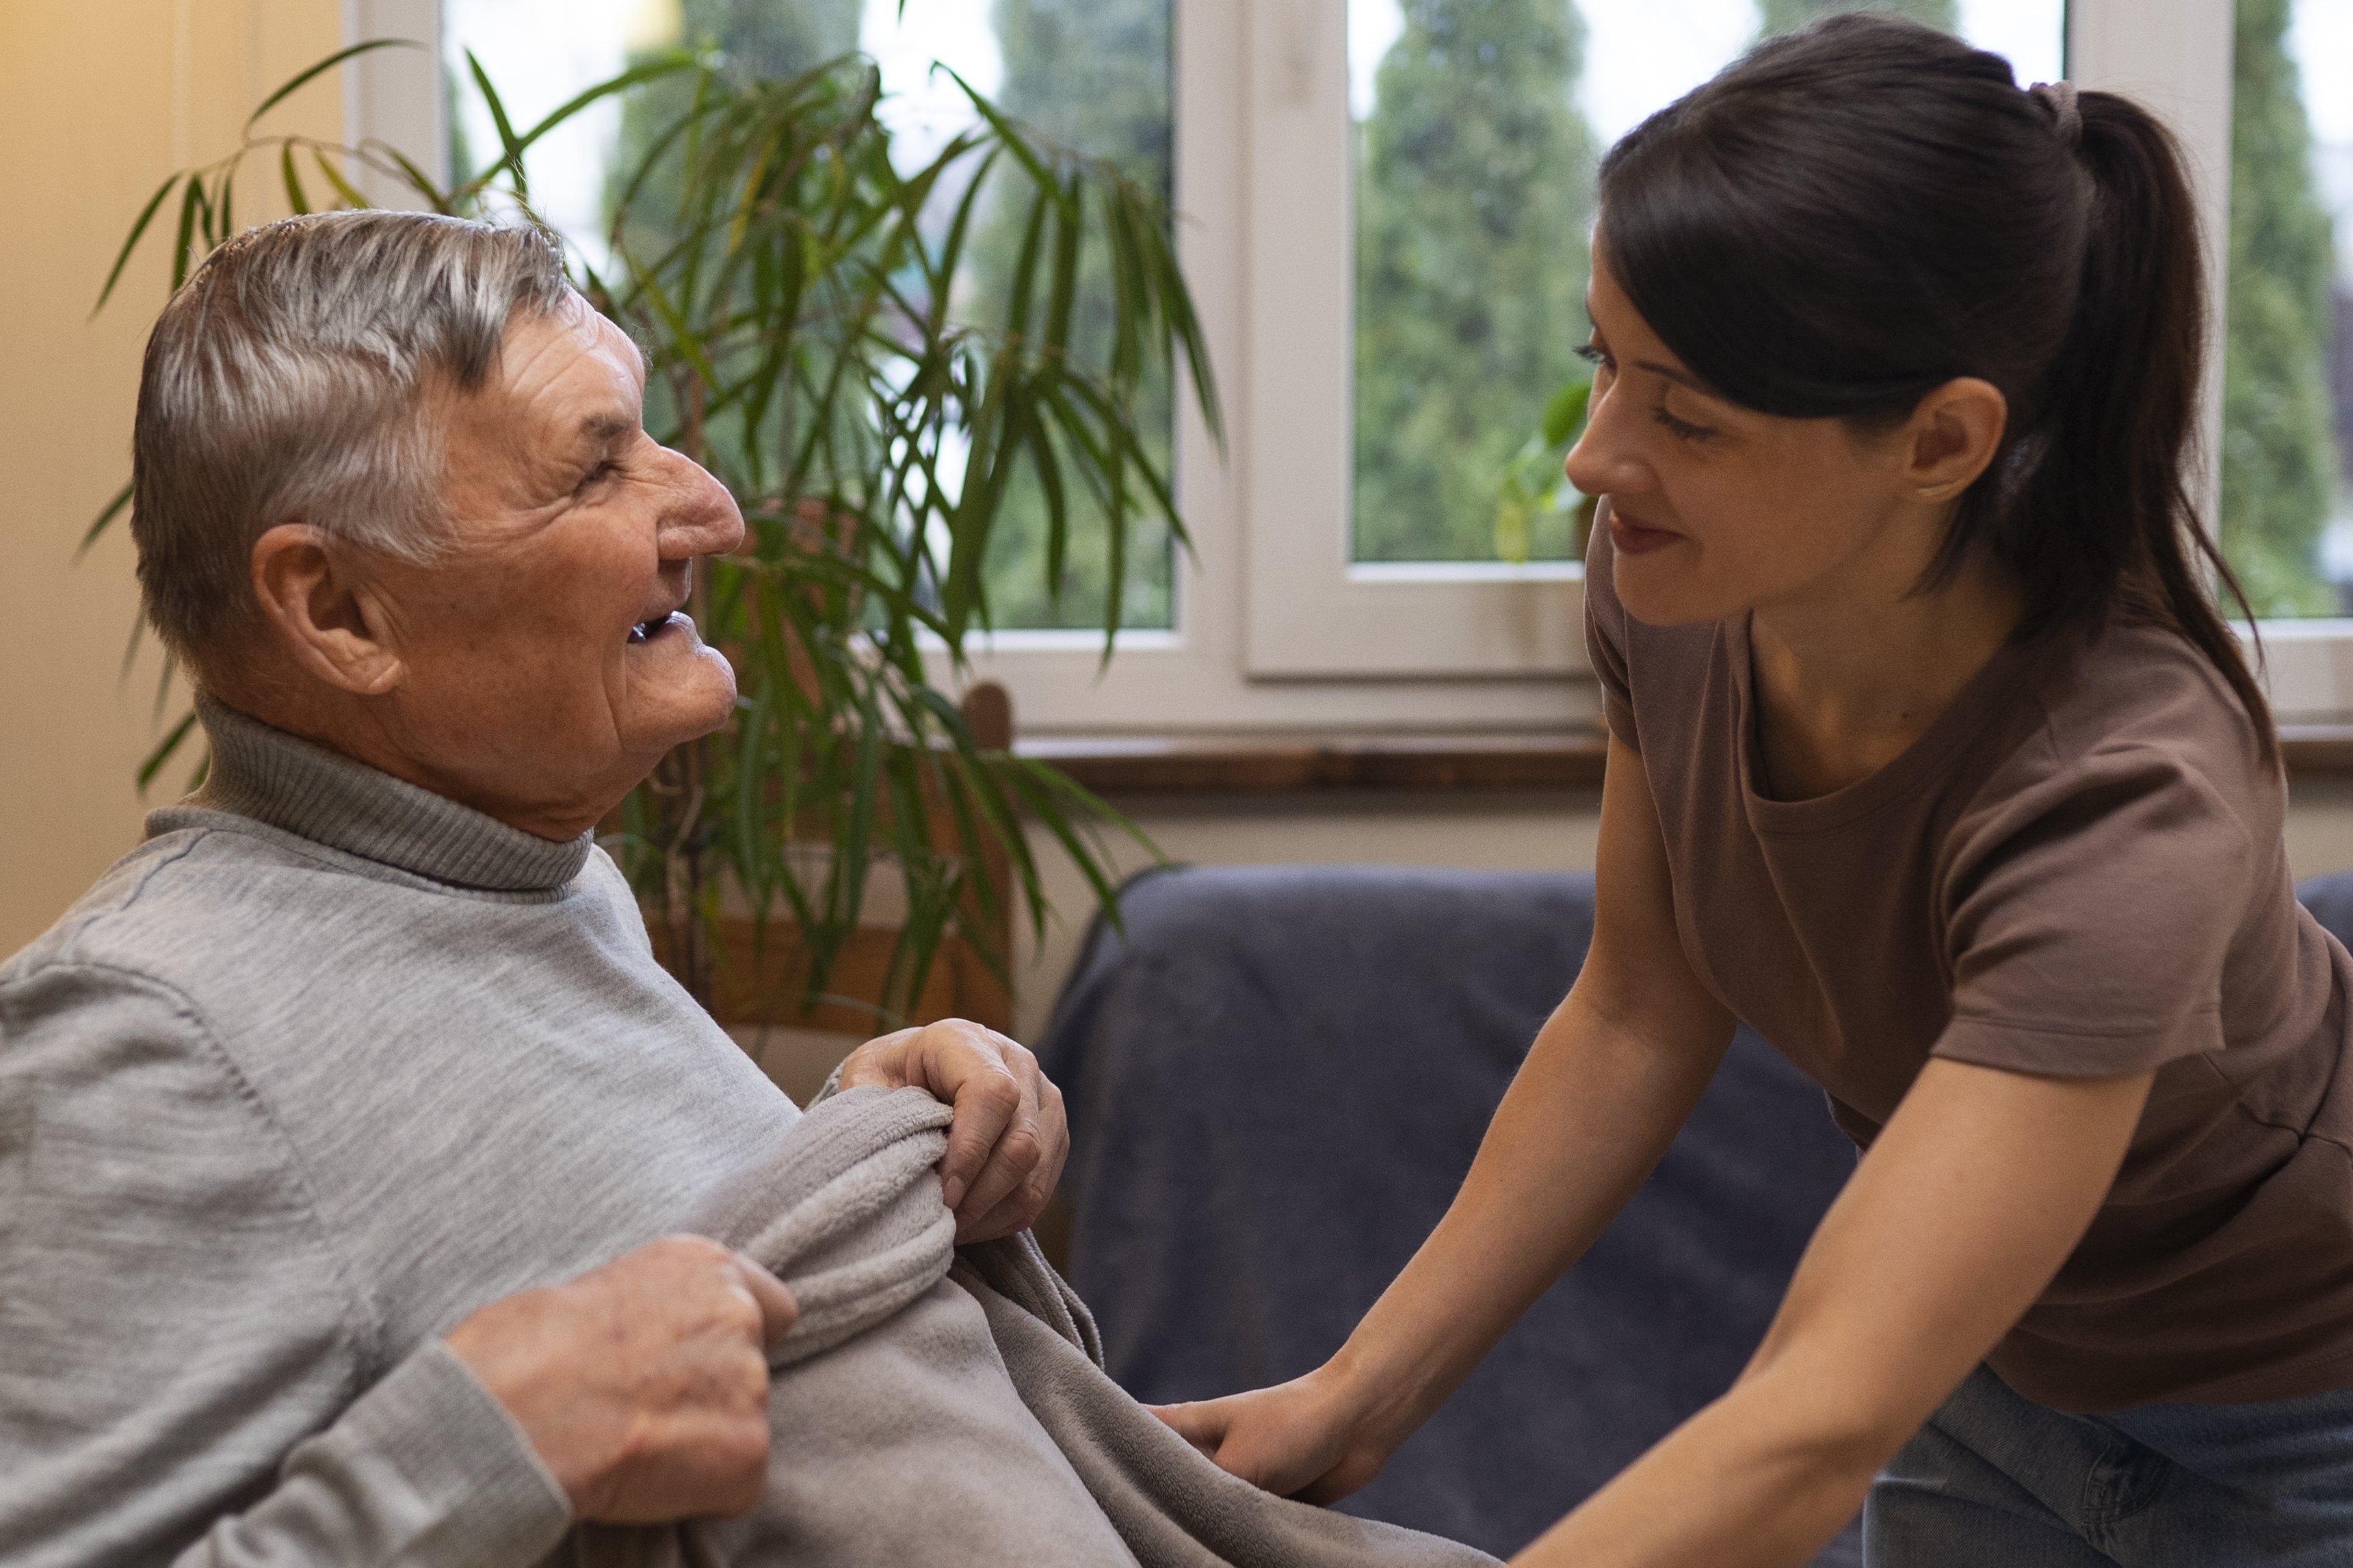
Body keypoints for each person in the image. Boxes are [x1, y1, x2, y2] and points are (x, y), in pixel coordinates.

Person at [1155, 16, 2353, 1567]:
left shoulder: (2125, 795)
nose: (1595, 461)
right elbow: (1641, 1008)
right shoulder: (1677, 591)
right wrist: (1355, 1398)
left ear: (1940, 439)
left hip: (2305, 1417)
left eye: (1687, 415)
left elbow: (1816, 1418)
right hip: (1992, 1381)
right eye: (1606, 367)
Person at [0, 209, 1069, 1567]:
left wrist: (839, 1157)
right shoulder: (147, 1038)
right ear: (338, 613)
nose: (712, 513)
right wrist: (486, 1443)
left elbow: (557, 1268)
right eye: (595, 470)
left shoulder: (527, 871)